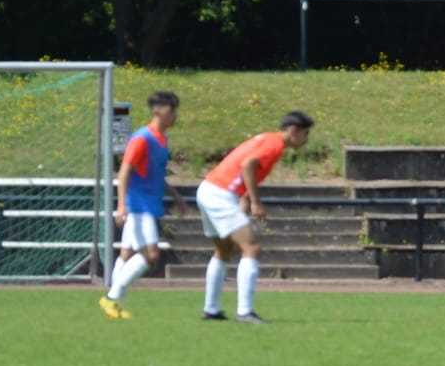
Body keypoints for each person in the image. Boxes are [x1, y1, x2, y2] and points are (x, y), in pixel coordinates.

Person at [195, 111, 315, 323]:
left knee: (224, 250)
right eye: (305, 134)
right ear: (293, 131)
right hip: (221, 194)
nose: (306, 139)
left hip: (209, 189)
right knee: (251, 248)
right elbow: (248, 165)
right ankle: (244, 312)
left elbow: (245, 173)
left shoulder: (267, 138)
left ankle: (211, 309)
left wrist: (244, 204)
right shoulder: (275, 144)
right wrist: (256, 201)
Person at [99, 91, 187, 320]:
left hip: (150, 204)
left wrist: (176, 196)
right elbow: (124, 172)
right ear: (158, 111)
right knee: (151, 255)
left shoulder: (163, 140)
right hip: (139, 205)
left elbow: (156, 174)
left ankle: (115, 305)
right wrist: (121, 205)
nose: (175, 115)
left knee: (126, 254)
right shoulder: (141, 138)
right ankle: (111, 297)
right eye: (172, 111)